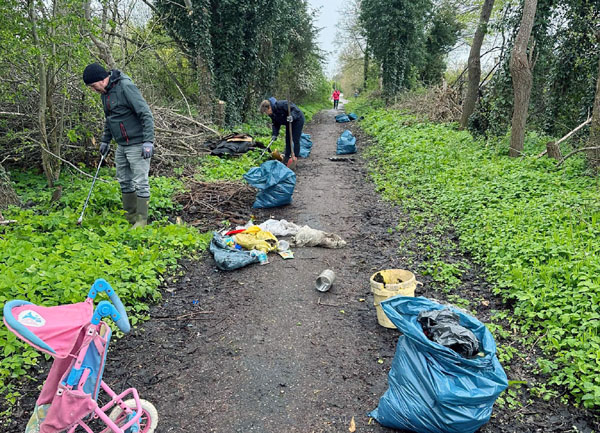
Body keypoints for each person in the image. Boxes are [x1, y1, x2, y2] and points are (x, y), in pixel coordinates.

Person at [83, 62, 155, 228]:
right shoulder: (105, 94)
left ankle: (142, 220)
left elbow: (145, 114)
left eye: (94, 86)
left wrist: (148, 141)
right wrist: (105, 140)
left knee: (140, 182)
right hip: (121, 145)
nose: (94, 90)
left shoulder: (126, 87)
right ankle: (130, 216)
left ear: (102, 79)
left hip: (138, 143)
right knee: (124, 180)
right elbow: (110, 119)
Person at [260, 97, 305, 168]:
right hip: (288, 123)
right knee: (288, 139)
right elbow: (275, 124)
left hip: (297, 120)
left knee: (295, 139)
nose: (267, 114)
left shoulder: (282, 104)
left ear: (269, 107)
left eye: (266, 112)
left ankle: (295, 157)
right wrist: (275, 134)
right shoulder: (272, 114)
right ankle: (286, 157)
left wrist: (292, 116)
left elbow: (295, 110)